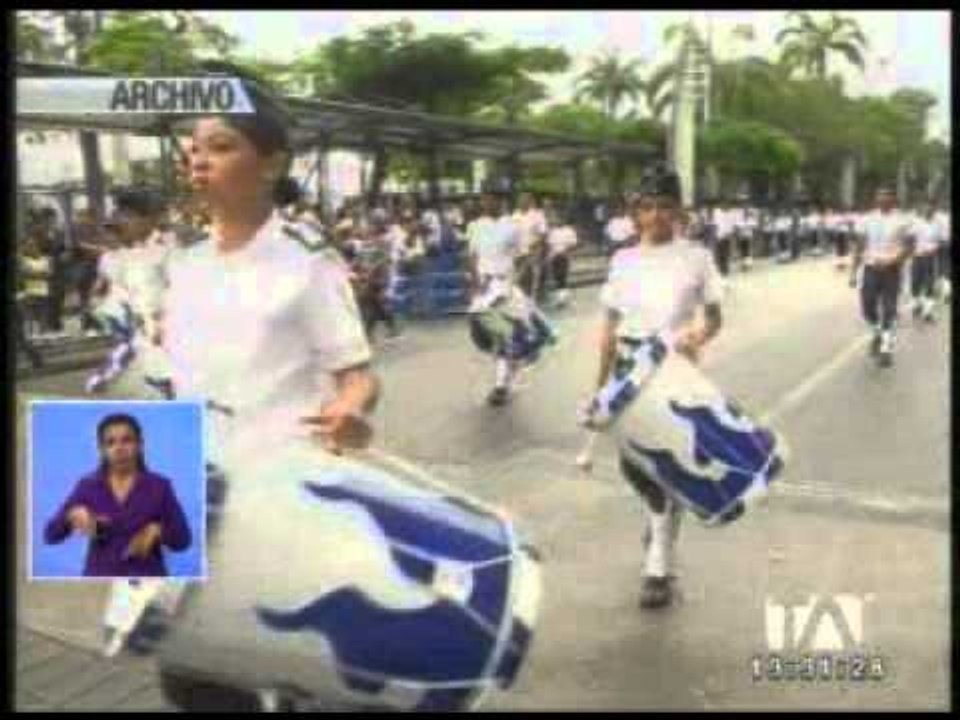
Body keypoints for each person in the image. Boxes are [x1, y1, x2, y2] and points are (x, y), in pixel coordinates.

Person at [164, 79, 379, 464]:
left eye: (221, 147)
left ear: (273, 164)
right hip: (200, 471)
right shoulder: (185, 263)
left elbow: (356, 375)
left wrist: (349, 407)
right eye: (194, 149)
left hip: (281, 471)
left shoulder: (308, 261)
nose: (199, 161)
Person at [591, 165, 724, 609]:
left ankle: (659, 566)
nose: (655, 216)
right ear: (635, 212)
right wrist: (600, 388)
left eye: (665, 207)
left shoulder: (697, 257)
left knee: (666, 462)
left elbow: (714, 318)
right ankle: (659, 519)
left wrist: (696, 336)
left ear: (679, 211)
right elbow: (609, 329)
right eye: (646, 207)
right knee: (634, 465)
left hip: (673, 369)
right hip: (629, 366)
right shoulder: (622, 260)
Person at [44, 413, 191, 578]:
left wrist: (157, 530)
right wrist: (71, 515)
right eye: (110, 442)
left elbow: (183, 541)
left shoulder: (160, 486)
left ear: (140, 445)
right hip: (99, 579)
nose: (119, 448)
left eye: (127, 440)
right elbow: (50, 536)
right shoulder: (88, 486)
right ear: (101, 450)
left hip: (147, 580)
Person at [467, 191, 555, 406]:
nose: (486, 202)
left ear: (501, 201)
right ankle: (511, 370)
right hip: (484, 289)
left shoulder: (513, 226)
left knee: (505, 335)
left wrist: (516, 279)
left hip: (504, 286)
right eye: (484, 198)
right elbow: (472, 256)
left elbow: (525, 256)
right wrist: (475, 284)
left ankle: (501, 385)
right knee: (482, 330)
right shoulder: (475, 226)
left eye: (491, 198)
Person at [849, 187, 915, 367]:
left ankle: (886, 349)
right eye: (879, 195)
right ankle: (878, 331)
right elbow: (859, 246)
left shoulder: (903, 220)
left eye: (886, 195)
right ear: (875, 199)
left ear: (893, 199)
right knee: (867, 307)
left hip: (891, 269)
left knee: (889, 309)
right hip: (870, 268)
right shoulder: (866, 219)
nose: (882, 198)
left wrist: (894, 261)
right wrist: (853, 272)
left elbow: (910, 247)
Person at [909, 205, 941, 324]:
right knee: (915, 282)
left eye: (931, 210)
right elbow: (910, 238)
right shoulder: (917, 223)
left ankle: (928, 312)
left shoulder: (937, 225)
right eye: (926, 210)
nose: (928, 211)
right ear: (923, 211)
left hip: (930, 258)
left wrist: (934, 248)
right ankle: (917, 305)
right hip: (917, 256)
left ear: (933, 212)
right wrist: (912, 251)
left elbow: (939, 241)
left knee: (929, 284)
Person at [546, 212, 578, 308]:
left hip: (564, 256)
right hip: (554, 256)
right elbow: (549, 244)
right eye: (557, 219)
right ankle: (562, 298)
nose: (558, 221)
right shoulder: (553, 231)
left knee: (562, 277)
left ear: (564, 220)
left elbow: (573, 243)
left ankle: (561, 300)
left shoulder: (569, 231)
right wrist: (550, 255)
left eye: (560, 219)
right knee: (557, 277)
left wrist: (565, 251)